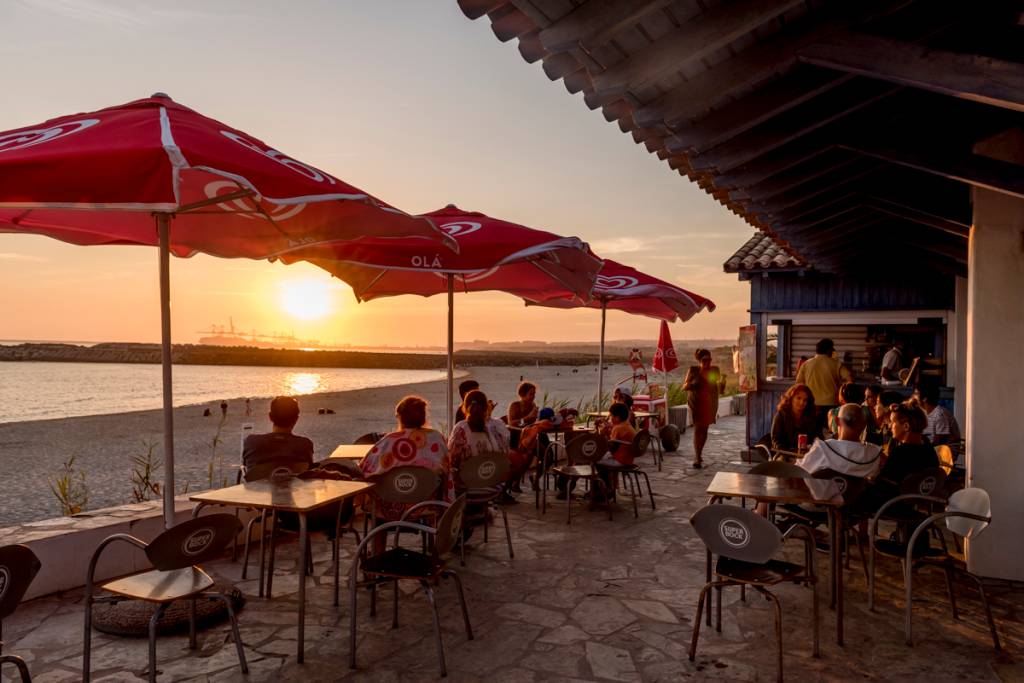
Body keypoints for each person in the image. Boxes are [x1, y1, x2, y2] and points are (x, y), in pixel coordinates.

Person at [361, 396, 449, 520]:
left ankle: (378, 536)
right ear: (424, 417)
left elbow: (365, 470)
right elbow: (447, 470)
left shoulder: (389, 441)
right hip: (426, 505)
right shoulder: (436, 438)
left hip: (389, 508)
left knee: (377, 489)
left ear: (400, 417)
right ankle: (431, 535)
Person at [859, 402, 939, 514]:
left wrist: (869, 479)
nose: (890, 426)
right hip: (921, 499)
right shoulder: (929, 448)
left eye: (892, 422)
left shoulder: (901, 452)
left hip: (894, 503)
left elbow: (883, 481)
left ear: (906, 426)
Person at [446, 390, 512, 501]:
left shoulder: (460, 429)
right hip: (493, 487)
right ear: (487, 408)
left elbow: (452, 460)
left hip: (466, 489)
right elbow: (504, 455)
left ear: (465, 407)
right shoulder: (496, 428)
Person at [798, 403, 882, 479]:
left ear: (837, 421)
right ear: (864, 425)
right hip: (861, 496)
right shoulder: (876, 454)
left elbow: (799, 472)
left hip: (823, 495)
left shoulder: (823, 449)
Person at [241, 396, 314, 472]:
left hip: (258, 483)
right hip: (295, 484)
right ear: (296, 419)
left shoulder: (252, 442)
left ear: (270, 417)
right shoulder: (305, 445)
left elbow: (246, 466)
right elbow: (309, 472)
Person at [684, 348, 726, 468]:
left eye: (709, 359)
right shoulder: (693, 370)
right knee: (698, 429)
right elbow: (685, 386)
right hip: (697, 403)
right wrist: (693, 384)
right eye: (705, 360)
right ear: (699, 360)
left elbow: (721, 390)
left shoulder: (715, 370)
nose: (708, 362)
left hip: (710, 404)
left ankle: (699, 452)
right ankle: (697, 457)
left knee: (705, 429)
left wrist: (723, 383)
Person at [795, 338, 850, 430]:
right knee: (831, 433)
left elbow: (798, 384)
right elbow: (850, 379)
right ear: (829, 350)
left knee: (812, 433)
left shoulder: (806, 364)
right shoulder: (836, 363)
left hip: (812, 405)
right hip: (832, 405)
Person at [594, 402, 636, 502]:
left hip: (620, 460)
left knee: (596, 462)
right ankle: (606, 488)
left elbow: (610, 447)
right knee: (601, 461)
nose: (610, 418)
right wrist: (610, 430)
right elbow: (616, 442)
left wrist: (603, 434)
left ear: (617, 417)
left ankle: (605, 489)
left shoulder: (617, 428)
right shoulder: (628, 426)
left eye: (611, 416)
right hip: (628, 459)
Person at [769, 383, 818, 453]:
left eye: (805, 400)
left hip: (806, 455)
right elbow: (776, 440)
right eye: (798, 398)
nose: (801, 402)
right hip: (784, 454)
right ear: (791, 398)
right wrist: (787, 452)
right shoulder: (781, 415)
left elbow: (816, 438)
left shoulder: (810, 416)